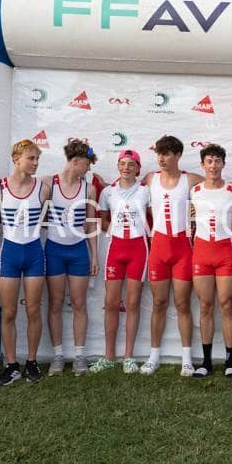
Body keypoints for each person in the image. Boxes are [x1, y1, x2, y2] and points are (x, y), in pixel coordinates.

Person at [140, 135, 204, 376]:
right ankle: (153, 356)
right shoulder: (150, 178)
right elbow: (127, 186)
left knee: (182, 304)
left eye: (167, 154)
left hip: (182, 250)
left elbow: (216, 185)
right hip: (158, 248)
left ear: (178, 155)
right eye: (159, 154)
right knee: (159, 303)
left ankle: (187, 359)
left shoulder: (190, 180)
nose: (162, 158)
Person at [0, 139, 50, 385]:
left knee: (33, 309)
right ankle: (11, 364)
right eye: (31, 158)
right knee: (8, 312)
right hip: (10, 253)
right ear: (16, 159)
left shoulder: (43, 188)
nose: (35, 163)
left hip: (34, 252)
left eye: (37, 159)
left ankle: (32, 361)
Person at [91, 150, 150, 374]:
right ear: (118, 166)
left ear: (138, 168)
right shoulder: (108, 192)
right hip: (116, 248)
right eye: (122, 164)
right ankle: (108, 356)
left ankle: (128, 356)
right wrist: (116, 228)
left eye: (131, 164)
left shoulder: (145, 191)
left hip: (138, 249)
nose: (126, 168)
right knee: (111, 302)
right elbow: (103, 220)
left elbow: (153, 218)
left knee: (133, 303)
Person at [45, 139, 99, 376]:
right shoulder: (49, 184)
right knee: (55, 303)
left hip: (78, 251)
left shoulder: (89, 189)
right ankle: (57, 356)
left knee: (79, 303)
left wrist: (94, 256)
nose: (89, 168)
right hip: (54, 250)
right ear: (76, 161)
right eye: (87, 164)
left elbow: (91, 224)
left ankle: (79, 356)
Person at [189, 144, 232, 378]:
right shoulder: (195, 190)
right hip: (201, 251)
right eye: (209, 161)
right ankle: (206, 362)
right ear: (203, 165)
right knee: (205, 305)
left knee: (227, 305)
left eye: (217, 161)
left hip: (224, 252)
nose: (213, 166)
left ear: (223, 164)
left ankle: (230, 361)